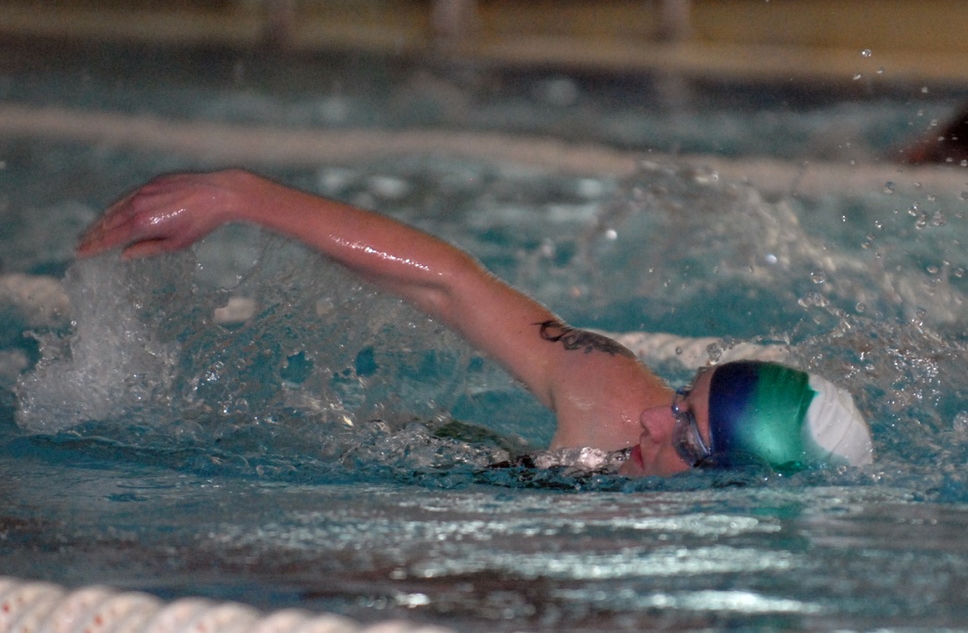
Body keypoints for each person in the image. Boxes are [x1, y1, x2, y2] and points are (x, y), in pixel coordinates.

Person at [76, 169, 874, 477]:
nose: (651, 415)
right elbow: (452, 283)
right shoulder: (606, 391)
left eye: (688, 430)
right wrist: (243, 197)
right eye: (680, 393)